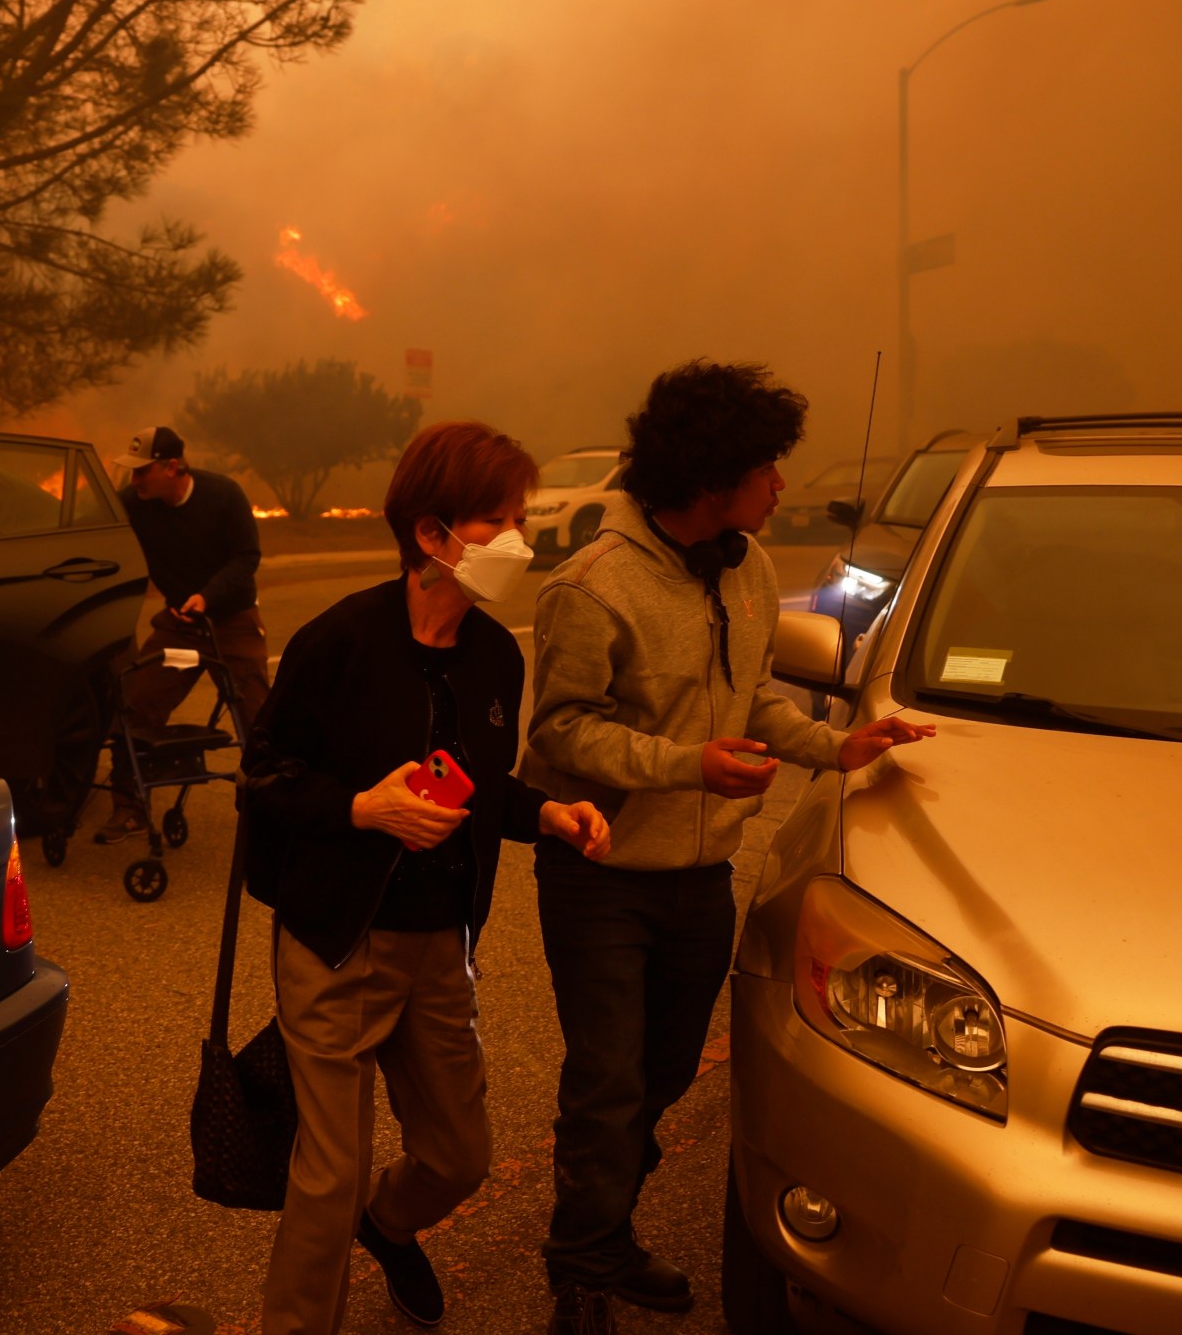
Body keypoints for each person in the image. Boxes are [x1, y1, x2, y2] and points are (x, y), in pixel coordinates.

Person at [523, 362, 935, 1332]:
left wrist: (839, 749)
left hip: (699, 879)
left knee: (659, 1079)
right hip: (600, 878)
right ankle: (579, 1270)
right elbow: (559, 734)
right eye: (768, 470)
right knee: (608, 1085)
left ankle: (606, 1231)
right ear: (714, 481)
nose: (781, 487)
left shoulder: (743, 567)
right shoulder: (591, 586)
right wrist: (685, 767)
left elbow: (749, 699)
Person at [240, 421, 612, 1335]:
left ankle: (390, 1220)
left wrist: (546, 816)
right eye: (497, 519)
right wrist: (363, 808)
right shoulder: (339, 644)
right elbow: (263, 774)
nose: (517, 539)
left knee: (459, 1157)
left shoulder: (495, 655)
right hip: (336, 941)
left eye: (519, 517)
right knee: (327, 1176)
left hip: (441, 946)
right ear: (432, 536)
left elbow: (482, 786)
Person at [97, 425, 274, 844]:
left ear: (172, 466)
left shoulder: (223, 495)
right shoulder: (133, 505)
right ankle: (129, 806)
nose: (135, 481)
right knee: (136, 705)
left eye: (143, 472)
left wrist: (207, 596)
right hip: (178, 624)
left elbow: (247, 557)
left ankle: (270, 810)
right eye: (132, 473)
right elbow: (106, 544)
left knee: (259, 719)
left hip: (231, 620)